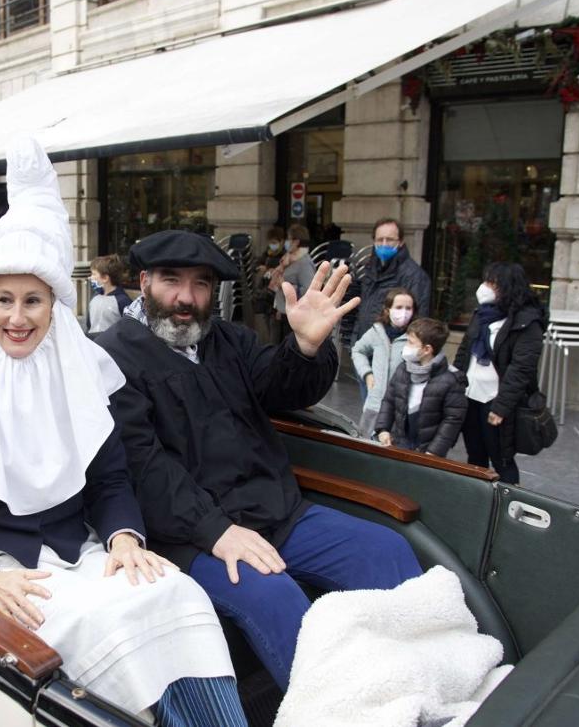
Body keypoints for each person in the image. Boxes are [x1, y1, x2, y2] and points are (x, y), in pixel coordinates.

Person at [0, 138, 248, 727]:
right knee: (110, 623)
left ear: (54, 307)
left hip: (78, 549)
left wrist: (124, 537)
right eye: (4, 300)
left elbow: (110, 480)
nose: (17, 318)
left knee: (176, 592)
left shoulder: (79, 370)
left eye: (33, 300)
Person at [95, 229, 422, 691]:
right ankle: (337, 709)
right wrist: (215, 530)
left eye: (201, 283)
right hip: (191, 534)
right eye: (171, 280)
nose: (186, 298)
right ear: (145, 282)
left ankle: (423, 680)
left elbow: (282, 387)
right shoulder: (111, 356)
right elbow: (142, 465)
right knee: (274, 596)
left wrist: (305, 347)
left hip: (276, 511)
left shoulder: (228, 340)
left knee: (385, 550)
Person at [452, 262, 545, 485]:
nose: (484, 287)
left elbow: (521, 369)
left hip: (496, 400)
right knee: (475, 455)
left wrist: (501, 407)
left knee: (501, 458)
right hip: (471, 394)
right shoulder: (481, 314)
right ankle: (478, 496)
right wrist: (455, 384)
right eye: (485, 281)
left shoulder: (527, 323)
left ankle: (508, 499)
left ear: (507, 287)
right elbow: (464, 351)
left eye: (491, 283)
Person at [374, 317, 467, 457]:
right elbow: (389, 400)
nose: (406, 346)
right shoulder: (403, 369)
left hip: (428, 449)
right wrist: (383, 429)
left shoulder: (452, 380)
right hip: (400, 442)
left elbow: (452, 419)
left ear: (427, 349)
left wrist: (434, 451)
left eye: (411, 342)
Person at [351, 217, 432, 342]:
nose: (384, 244)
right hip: (365, 344)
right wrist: (355, 343)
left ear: (400, 242)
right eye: (380, 239)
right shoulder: (370, 269)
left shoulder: (414, 276)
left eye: (389, 239)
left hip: (391, 347)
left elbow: (418, 322)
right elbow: (362, 311)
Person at [351, 288, 416, 436]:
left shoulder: (416, 337)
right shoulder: (377, 331)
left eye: (408, 308)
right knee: (365, 441)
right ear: (387, 310)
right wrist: (367, 373)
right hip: (374, 404)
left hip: (399, 410)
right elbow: (358, 350)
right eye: (399, 307)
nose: (404, 312)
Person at [268, 224, 316, 343]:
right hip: (280, 312)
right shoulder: (288, 259)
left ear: (296, 242)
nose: (286, 242)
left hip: (292, 318)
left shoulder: (304, 263)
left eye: (289, 239)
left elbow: (308, 291)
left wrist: (284, 285)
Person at [87, 254, 131, 333]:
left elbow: (129, 329)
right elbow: (89, 324)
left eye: (93, 274)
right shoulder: (95, 297)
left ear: (105, 278)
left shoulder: (123, 301)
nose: (90, 277)